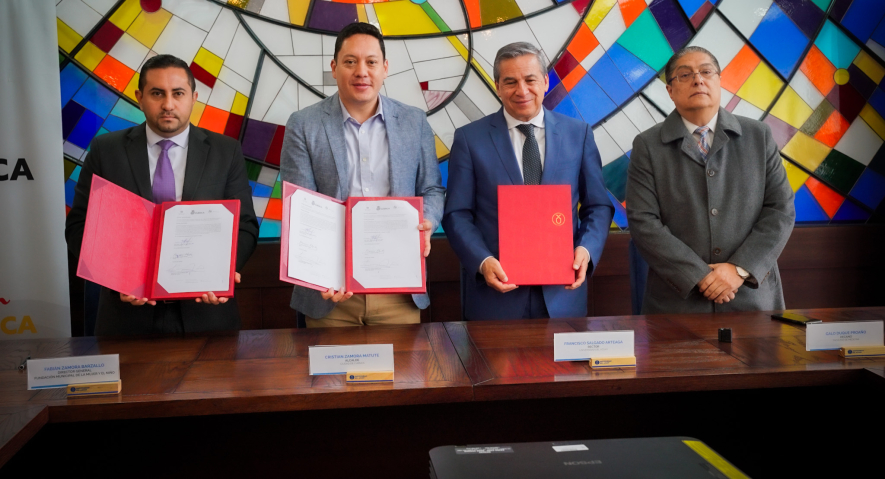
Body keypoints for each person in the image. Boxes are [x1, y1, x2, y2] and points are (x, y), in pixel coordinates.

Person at [66, 54, 259, 335]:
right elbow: (79, 227)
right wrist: (115, 277)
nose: (168, 104)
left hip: (206, 314)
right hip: (126, 317)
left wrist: (222, 272)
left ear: (193, 97)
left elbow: (245, 225)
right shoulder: (106, 151)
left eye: (177, 93)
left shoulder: (225, 151)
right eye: (157, 93)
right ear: (140, 97)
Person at [280, 22, 445, 327]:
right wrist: (320, 273)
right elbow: (300, 207)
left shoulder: (414, 121)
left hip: (399, 287)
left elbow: (432, 189)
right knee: (331, 374)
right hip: (330, 294)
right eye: (350, 61)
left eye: (371, 62)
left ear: (385, 68)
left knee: (403, 374)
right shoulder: (303, 124)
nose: (361, 71)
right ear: (334, 67)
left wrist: (429, 221)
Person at [442, 42, 613, 320]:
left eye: (530, 80)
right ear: (497, 86)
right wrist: (482, 262)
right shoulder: (469, 139)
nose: (522, 91)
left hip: (563, 295)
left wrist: (586, 250)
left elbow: (598, 206)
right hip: (495, 297)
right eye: (510, 82)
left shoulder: (578, 134)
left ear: (545, 82)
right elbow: (456, 214)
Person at [626, 46, 795, 313]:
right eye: (685, 74)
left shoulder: (758, 136)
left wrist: (738, 270)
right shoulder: (648, 145)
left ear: (719, 80)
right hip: (677, 302)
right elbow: (643, 221)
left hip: (752, 297)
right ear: (670, 90)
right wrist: (699, 275)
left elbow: (780, 211)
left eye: (706, 71)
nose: (698, 79)